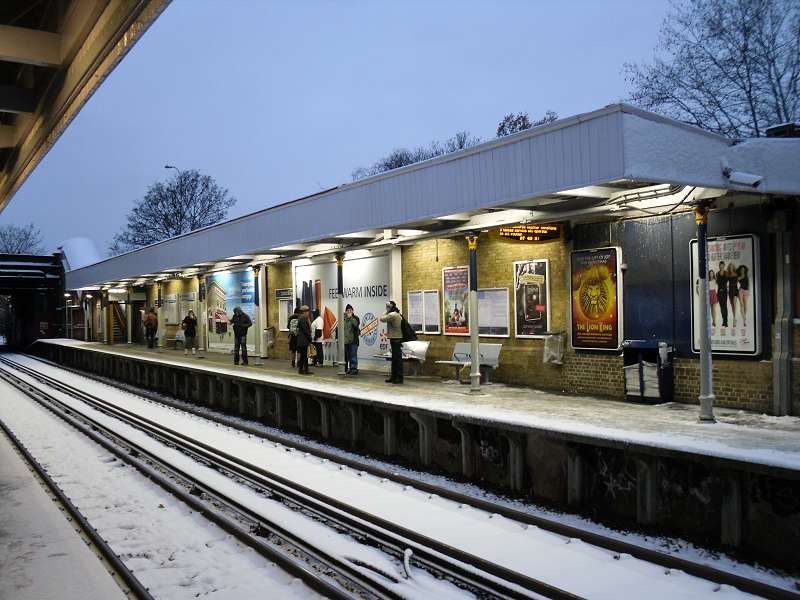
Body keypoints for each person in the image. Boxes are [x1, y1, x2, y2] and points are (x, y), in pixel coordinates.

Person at [379, 300, 403, 384]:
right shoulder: (397, 313)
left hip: (396, 338)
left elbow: (382, 318)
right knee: (395, 359)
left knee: (397, 359)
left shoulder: (392, 314)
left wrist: (386, 311)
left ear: (391, 307)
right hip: (396, 338)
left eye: (388, 306)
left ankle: (399, 378)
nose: (386, 308)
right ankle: (394, 377)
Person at [343, 303, 360, 375]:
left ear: (352, 311)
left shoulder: (355, 318)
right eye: (348, 310)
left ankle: (354, 368)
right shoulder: (343, 318)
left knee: (353, 355)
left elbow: (356, 325)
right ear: (346, 311)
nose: (349, 311)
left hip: (353, 340)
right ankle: (349, 368)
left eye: (350, 310)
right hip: (345, 341)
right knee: (348, 356)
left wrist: (351, 318)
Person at [296, 305, 312, 375]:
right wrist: (310, 338)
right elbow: (306, 331)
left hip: (302, 340)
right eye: (307, 311)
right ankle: (305, 370)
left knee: (303, 356)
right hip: (303, 341)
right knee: (304, 356)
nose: (308, 313)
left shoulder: (303, 319)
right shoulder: (302, 319)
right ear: (304, 312)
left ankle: (301, 370)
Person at [715, 262, 728, 328]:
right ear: (719, 266)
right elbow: (717, 282)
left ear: (724, 266)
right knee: (721, 306)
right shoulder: (717, 274)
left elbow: (728, 281)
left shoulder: (726, 273)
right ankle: (723, 321)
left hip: (725, 291)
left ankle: (726, 321)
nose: (721, 266)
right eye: (720, 265)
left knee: (724, 306)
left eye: (722, 265)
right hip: (719, 291)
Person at [727, 262, 739, 328]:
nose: (731, 268)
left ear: (733, 267)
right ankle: (734, 317)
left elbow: (738, 281)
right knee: (732, 305)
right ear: (729, 268)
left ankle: (734, 319)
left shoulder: (736, 274)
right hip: (730, 290)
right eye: (730, 267)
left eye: (732, 267)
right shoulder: (728, 275)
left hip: (735, 289)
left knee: (734, 304)